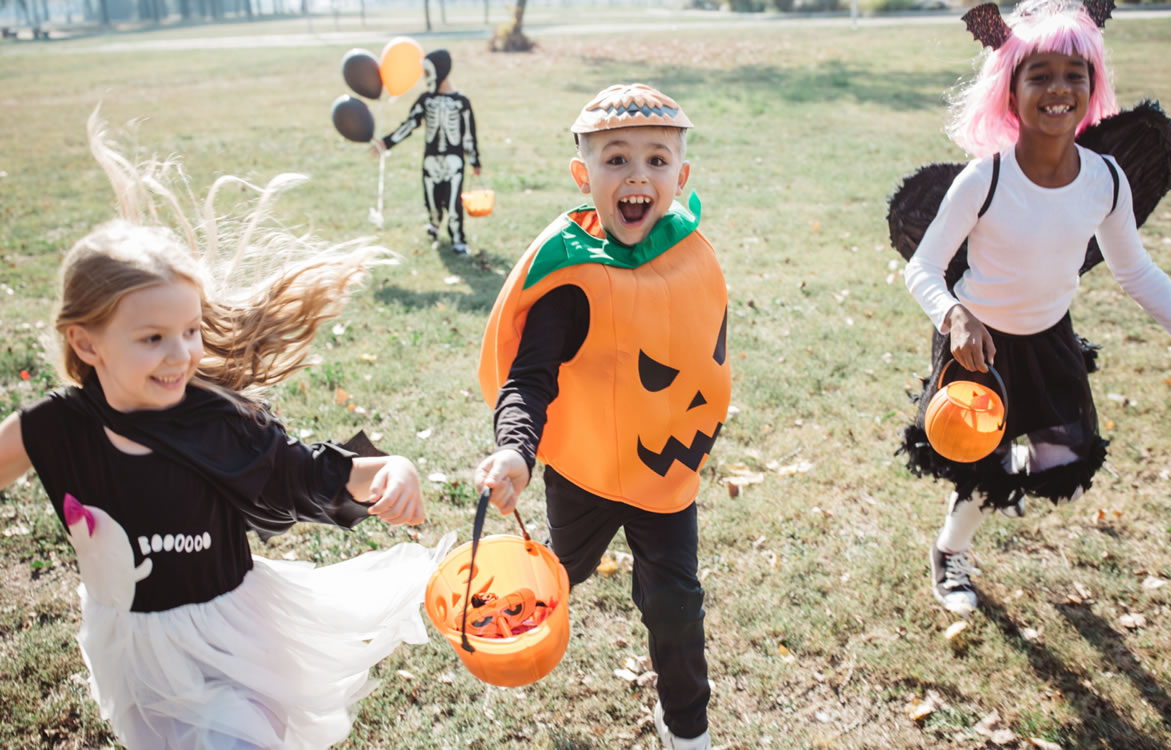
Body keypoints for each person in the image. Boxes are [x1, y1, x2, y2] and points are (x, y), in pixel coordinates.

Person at [0, 108, 453, 749]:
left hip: (236, 642)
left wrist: (394, 470)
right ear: (87, 342)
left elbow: (307, 473)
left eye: (188, 331)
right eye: (152, 338)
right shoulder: (53, 428)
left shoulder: (219, 422)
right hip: (133, 650)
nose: (181, 354)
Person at [897, 0, 1171, 615]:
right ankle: (950, 554)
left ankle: (1004, 467)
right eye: (1039, 75)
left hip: (1050, 337)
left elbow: (1135, 270)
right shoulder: (985, 178)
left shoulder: (1106, 179)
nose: (1058, 88)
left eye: (1074, 73)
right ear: (1010, 91)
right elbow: (922, 268)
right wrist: (955, 315)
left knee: (1063, 450)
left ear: (1094, 85)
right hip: (977, 346)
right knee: (984, 473)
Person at [473, 83, 729, 750]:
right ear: (584, 177)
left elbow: (702, 354)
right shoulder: (570, 279)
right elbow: (530, 381)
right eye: (616, 161)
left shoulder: (688, 254)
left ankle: (688, 730)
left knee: (674, 601)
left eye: (656, 160)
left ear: (681, 175)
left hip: (662, 474)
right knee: (565, 570)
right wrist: (515, 452)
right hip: (583, 473)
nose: (638, 175)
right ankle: (539, 581)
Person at [370, 48, 482, 255]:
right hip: (430, 160)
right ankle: (434, 224)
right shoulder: (425, 100)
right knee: (431, 200)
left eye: (428, 73)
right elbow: (410, 124)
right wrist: (386, 143)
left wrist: (475, 162)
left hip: (454, 161)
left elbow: (469, 134)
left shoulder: (461, 103)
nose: (425, 78)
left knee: (454, 203)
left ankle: (458, 239)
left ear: (440, 72)